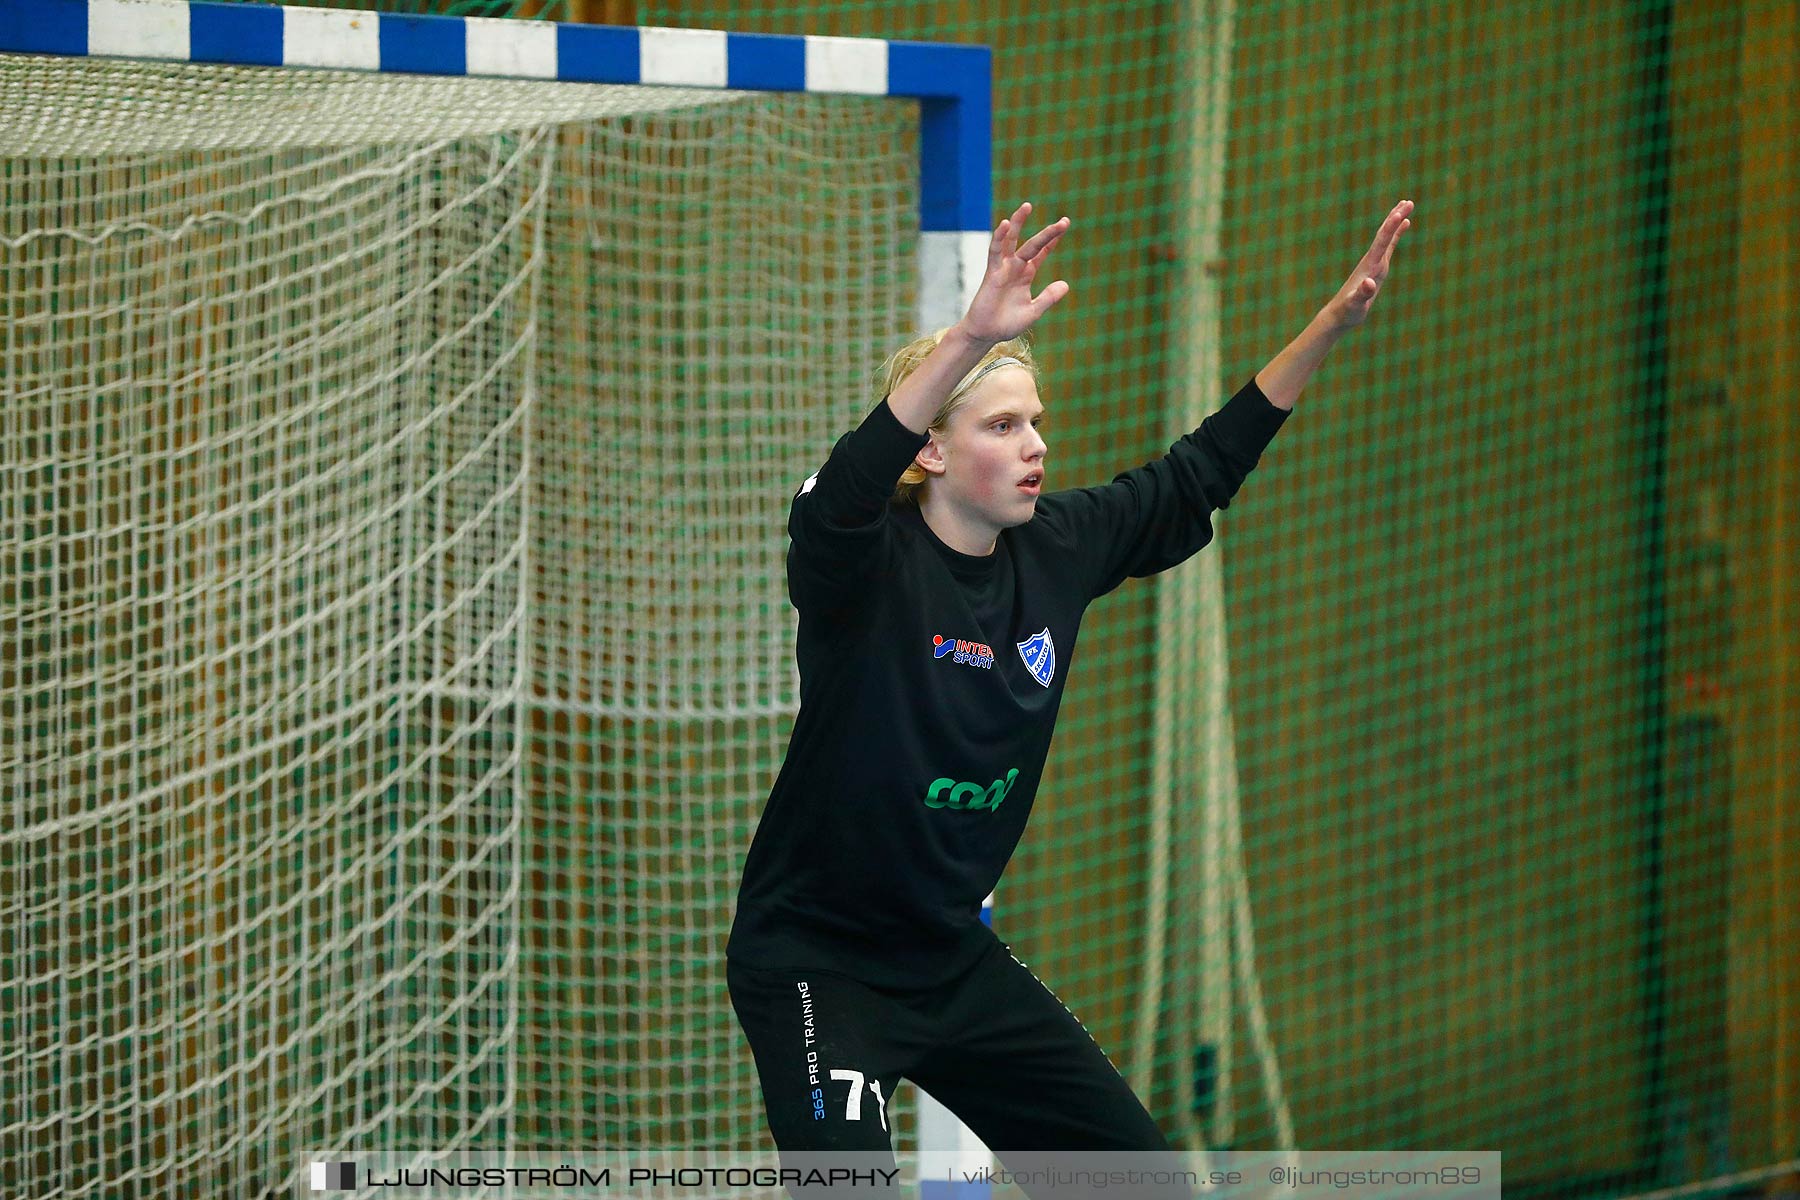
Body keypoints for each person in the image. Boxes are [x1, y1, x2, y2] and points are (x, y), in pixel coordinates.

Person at [725, 199, 1414, 1193]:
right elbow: (841, 494)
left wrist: (1330, 329)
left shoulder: (1057, 548)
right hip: (817, 967)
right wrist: (970, 337)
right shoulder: (863, 568)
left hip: (950, 960)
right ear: (930, 452)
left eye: (1037, 423)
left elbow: (1196, 477)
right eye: (1002, 425)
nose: (1035, 444)